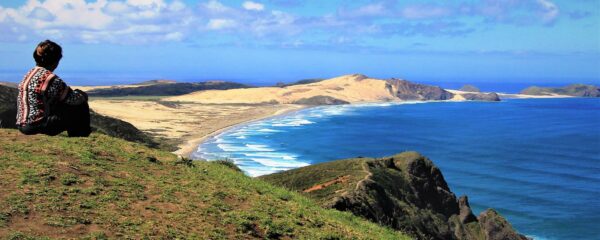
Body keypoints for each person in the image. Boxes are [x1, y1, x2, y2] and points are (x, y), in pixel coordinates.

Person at [16, 40, 91, 137]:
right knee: (80, 104)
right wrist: (83, 95)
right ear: (56, 61)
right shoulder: (50, 79)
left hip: (23, 125)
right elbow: (74, 100)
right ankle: (80, 136)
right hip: (37, 125)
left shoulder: (29, 74)